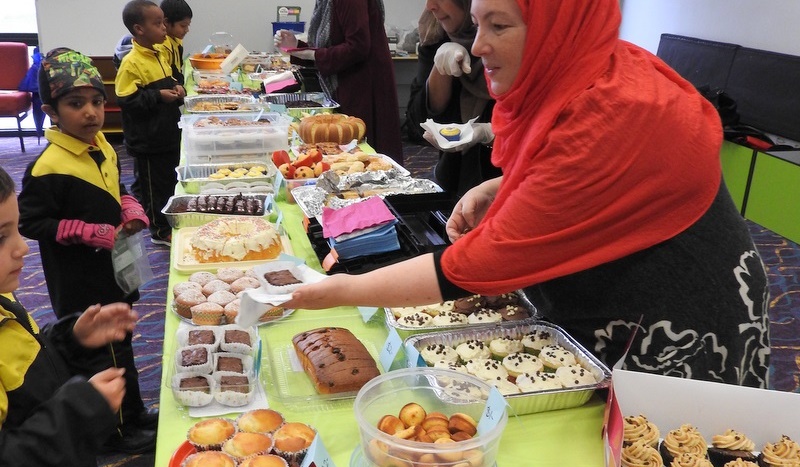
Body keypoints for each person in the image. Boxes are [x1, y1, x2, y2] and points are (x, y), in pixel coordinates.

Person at [284, 0, 771, 388]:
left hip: (675, 317)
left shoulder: (612, 109)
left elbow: (473, 267)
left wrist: (340, 291)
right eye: (477, 25)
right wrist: (506, 185)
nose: (478, 48)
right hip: (619, 292)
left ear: (555, 28)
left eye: (499, 26)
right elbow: (589, 172)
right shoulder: (583, 67)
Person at [17, 48, 157, 455]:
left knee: (123, 341)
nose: (91, 113)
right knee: (98, 355)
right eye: (76, 104)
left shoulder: (102, 147)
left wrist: (128, 206)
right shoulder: (47, 167)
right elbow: (31, 222)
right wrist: (81, 230)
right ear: (52, 111)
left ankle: (133, 413)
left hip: (115, 269)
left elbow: (117, 188)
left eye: (97, 101)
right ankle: (114, 431)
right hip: (79, 281)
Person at [0, 165, 139, 467]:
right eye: (0, 237)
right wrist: (81, 411)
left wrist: (69, 342)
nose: (21, 247)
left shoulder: (3, 300)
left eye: (14, 229)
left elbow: (26, 378)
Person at [274, 0, 404, 164]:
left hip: (363, 84)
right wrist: (297, 47)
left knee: (363, 156)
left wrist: (312, 54)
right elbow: (331, 45)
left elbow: (358, 46)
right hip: (351, 81)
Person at [406, 0, 501, 196]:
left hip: (504, 180)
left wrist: (491, 132)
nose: (430, 6)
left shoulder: (511, 41)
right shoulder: (436, 33)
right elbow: (417, 124)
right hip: (454, 177)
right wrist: (440, 70)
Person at [116, 0, 185, 246]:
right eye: (157, 24)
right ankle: (158, 230)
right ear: (139, 29)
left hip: (166, 132)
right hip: (147, 139)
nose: (164, 28)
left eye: (163, 22)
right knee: (153, 187)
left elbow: (169, 80)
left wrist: (176, 88)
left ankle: (167, 220)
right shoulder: (131, 62)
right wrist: (158, 96)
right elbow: (127, 99)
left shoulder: (158, 54)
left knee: (167, 180)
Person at [159, 0, 193, 86]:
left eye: (188, 25)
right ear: (166, 22)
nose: (187, 30)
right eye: (183, 26)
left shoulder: (177, 40)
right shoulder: (161, 46)